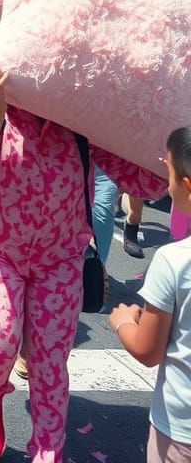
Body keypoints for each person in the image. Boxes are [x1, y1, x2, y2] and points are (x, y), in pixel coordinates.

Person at [0, 66, 167, 463]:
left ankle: (47, 452)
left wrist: (158, 126)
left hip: (61, 257)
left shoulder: (83, 113)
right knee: (0, 344)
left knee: (50, 365)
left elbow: (147, 183)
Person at [111, 125, 191, 463]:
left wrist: (124, 322)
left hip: (179, 431)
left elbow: (148, 350)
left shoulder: (174, 261)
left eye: (169, 171)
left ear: (186, 187)